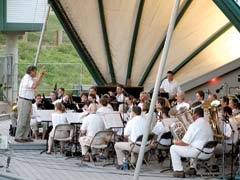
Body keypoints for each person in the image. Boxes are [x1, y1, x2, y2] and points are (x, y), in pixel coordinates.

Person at [170, 102, 213, 178]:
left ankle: (178, 171)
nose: (191, 116)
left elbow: (185, 142)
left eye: (192, 114)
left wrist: (175, 142)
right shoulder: (207, 124)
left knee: (173, 148)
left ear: (196, 114)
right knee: (193, 145)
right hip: (209, 152)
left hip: (199, 152)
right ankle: (192, 168)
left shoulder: (194, 125)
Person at [15, 65, 46, 143]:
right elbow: (34, 86)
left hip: (28, 100)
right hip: (24, 100)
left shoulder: (30, 78)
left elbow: (36, 81)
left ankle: (24, 136)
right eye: (35, 71)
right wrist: (40, 75)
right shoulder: (27, 78)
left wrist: (41, 75)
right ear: (31, 71)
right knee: (23, 118)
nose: (36, 73)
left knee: (27, 119)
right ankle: (19, 136)